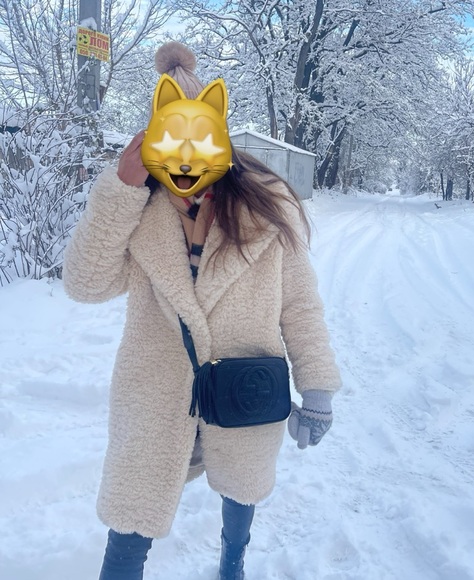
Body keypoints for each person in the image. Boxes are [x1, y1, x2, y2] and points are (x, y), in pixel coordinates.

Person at [63, 41, 341, 580]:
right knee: (130, 524)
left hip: (244, 385)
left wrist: (318, 389)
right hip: (156, 395)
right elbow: (85, 284)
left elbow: (300, 304)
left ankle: (232, 562)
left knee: (241, 492)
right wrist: (121, 189)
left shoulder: (265, 205)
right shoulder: (138, 208)